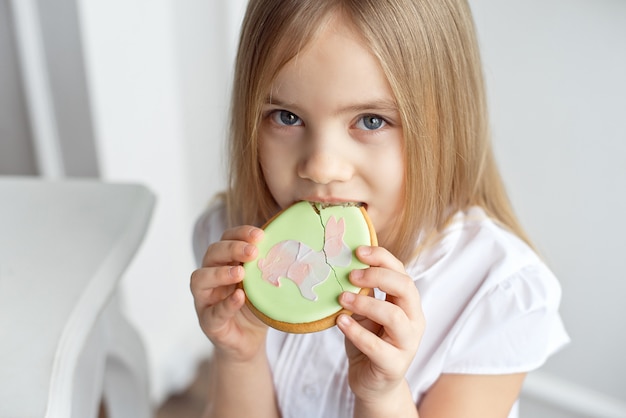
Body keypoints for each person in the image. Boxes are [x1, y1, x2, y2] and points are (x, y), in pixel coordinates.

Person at [190, 0, 569, 417]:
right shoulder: (237, 247)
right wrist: (239, 356)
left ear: (444, 127)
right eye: (286, 116)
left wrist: (383, 395)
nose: (320, 167)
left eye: (370, 121)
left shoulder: (492, 293)